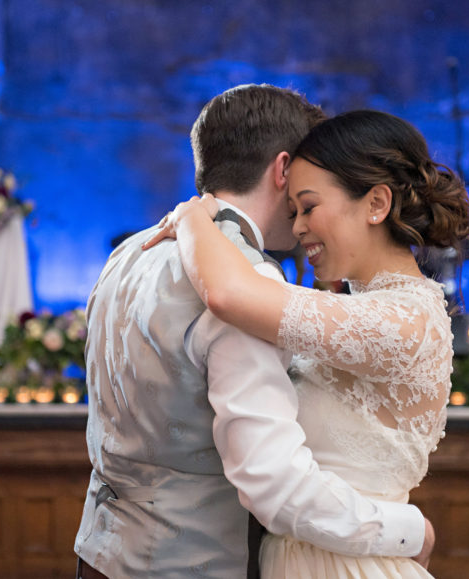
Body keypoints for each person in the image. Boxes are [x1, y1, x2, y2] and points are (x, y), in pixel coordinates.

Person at [75, 86, 434, 579]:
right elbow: (271, 478)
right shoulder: (251, 284)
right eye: (303, 193)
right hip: (193, 563)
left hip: (99, 550)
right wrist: (411, 531)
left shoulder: (132, 251)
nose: (303, 220)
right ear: (283, 170)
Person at [144, 109, 469, 577]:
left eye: (308, 206)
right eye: (293, 211)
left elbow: (227, 293)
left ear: (376, 203)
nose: (298, 228)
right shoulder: (350, 307)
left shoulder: (406, 320)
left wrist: (193, 216)